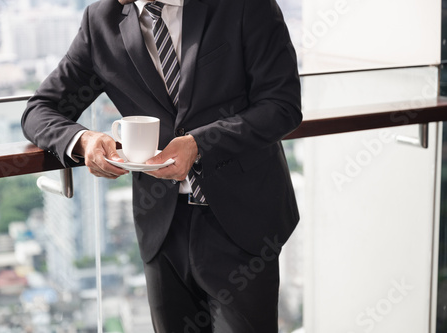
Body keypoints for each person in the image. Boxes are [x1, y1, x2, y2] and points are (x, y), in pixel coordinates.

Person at [21, 0, 302, 331]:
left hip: (242, 222)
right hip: (162, 229)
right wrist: (83, 141)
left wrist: (199, 144)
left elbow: (281, 106)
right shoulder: (102, 20)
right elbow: (40, 109)